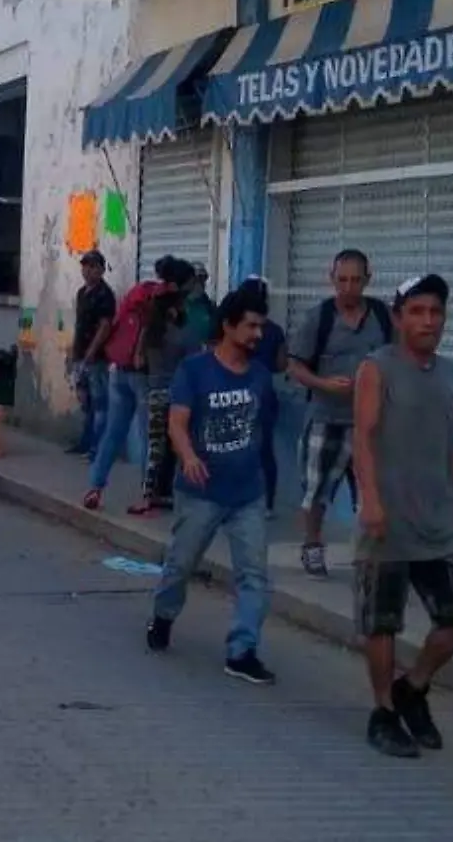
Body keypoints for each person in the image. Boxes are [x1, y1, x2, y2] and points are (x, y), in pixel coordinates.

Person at [353, 273, 453, 758]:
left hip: (440, 517)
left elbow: (452, 443)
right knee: (381, 621)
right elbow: (362, 437)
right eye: (418, 312)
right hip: (388, 517)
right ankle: (384, 711)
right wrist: (371, 500)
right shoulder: (376, 368)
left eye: (436, 312)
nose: (429, 321)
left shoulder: (451, 374)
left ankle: (414, 686)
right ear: (399, 316)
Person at [145, 284, 276, 685]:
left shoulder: (259, 374)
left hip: (247, 494)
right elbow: (177, 423)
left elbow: (262, 429)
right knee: (180, 565)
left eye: (261, 326)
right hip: (200, 492)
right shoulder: (195, 370)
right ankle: (163, 617)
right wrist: (188, 456)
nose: (258, 334)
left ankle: (242, 651)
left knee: (253, 574)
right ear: (228, 326)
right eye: (251, 326)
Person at [286, 249, 393, 579]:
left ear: (368, 280)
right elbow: (294, 366)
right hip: (326, 419)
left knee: (373, 492)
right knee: (317, 491)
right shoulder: (318, 318)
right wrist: (324, 384)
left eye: (356, 280)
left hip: (372, 424)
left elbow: (400, 358)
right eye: (342, 280)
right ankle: (313, 546)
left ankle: (370, 554)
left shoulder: (383, 316)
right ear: (331, 279)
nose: (349, 287)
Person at [83, 256, 194, 512]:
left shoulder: (140, 292)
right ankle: (146, 496)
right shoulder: (168, 305)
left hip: (119, 370)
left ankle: (94, 487)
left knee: (113, 433)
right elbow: (159, 337)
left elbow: (118, 321)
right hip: (145, 377)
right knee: (149, 440)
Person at [128, 285, 193, 517]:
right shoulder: (180, 335)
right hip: (178, 397)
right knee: (180, 446)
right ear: (174, 308)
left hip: (154, 393)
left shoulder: (149, 334)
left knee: (155, 448)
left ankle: (147, 496)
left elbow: (137, 363)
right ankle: (182, 495)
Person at [238, 276, 290, 516]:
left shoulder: (235, 327)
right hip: (265, 395)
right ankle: (267, 503)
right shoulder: (276, 330)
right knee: (265, 450)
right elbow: (281, 364)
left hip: (236, 392)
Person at [66, 250, 116, 457]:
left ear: (101, 269)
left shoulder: (105, 295)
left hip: (96, 357)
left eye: (92, 266)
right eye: (85, 266)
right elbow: (79, 325)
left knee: (99, 403)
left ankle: (98, 448)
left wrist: (92, 351)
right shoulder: (82, 293)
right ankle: (85, 442)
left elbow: (105, 326)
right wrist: (73, 351)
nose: (87, 271)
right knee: (85, 401)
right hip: (81, 354)